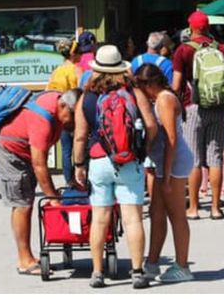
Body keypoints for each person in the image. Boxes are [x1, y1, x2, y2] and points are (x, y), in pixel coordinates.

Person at [72, 46, 156, 289]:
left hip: (98, 161)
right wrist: (143, 150)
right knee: (133, 219)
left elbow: (79, 136)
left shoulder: (86, 96)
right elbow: (151, 125)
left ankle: (97, 272)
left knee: (99, 219)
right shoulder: (133, 92)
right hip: (129, 161)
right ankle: (138, 272)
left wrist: (79, 164)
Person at [0, 87, 79, 275]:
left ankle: (28, 255)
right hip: (9, 154)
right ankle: (24, 259)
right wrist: (52, 196)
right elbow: (40, 164)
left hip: (22, 155)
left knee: (26, 203)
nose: (74, 122)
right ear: (63, 105)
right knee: (22, 205)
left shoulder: (57, 102)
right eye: (73, 116)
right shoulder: (43, 120)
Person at [172, 10, 224, 220]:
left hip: (193, 108)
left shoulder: (183, 50)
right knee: (215, 158)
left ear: (191, 27)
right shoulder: (222, 49)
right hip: (219, 108)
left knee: (194, 158)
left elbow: (176, 84)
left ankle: (193, 207)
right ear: (208, 26)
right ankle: (216, 207)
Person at [133, 64, 193, 284]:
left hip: (174, 162)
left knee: (176, 214)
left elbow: (171, 139)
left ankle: (183, 266)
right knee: (156, 211)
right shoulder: (160, 98)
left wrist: (166, 176)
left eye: (140, 86)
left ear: (149, 84)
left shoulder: (165, 99)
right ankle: (152, 261)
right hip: (164, 162)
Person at [48, 37, 83, 186]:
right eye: (79, 51)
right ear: (73, 54)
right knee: (80, 146)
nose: (81, 54)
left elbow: (49, 91)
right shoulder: (77, 70)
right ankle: (80, 178)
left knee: (66, 150)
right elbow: (81, 92)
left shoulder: (56, 71)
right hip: (75, 113)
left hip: (60, 114)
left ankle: (69, 181)